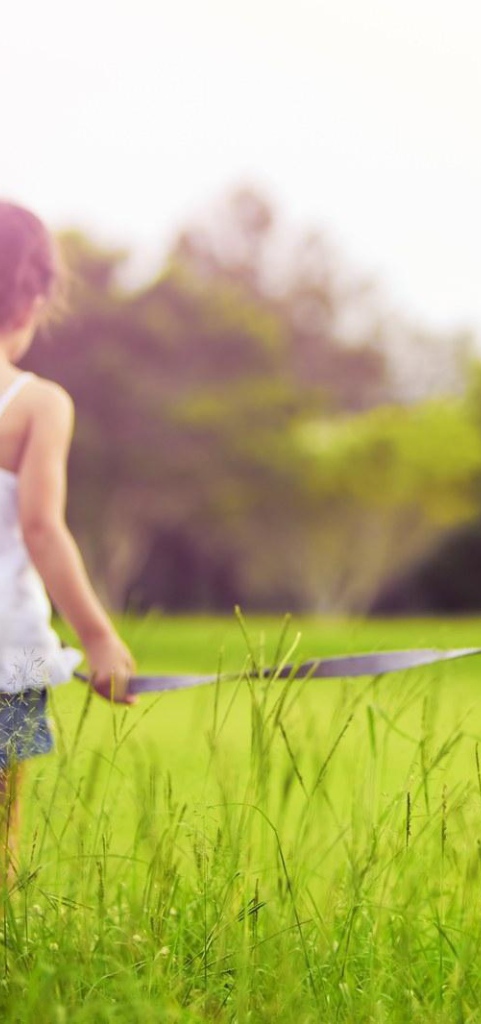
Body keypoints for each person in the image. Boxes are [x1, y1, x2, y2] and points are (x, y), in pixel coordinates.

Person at [0, 200, 135, 881]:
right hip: (7, 660)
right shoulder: (36, 403)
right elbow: (42, 529)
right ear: (32, 300)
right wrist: (100, 638)